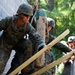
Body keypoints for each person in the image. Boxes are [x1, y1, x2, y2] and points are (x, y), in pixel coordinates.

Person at [0, 3, 46, 75]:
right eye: (26, 16)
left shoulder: (27, 26)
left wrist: (42, 45)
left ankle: (27, 70)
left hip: (17, 43)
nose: (28, 18)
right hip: (5, 44)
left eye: (29, 16)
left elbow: (36, 35)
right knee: (0, 64)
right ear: (20, 14)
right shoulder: (9, 20)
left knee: (28, 44)